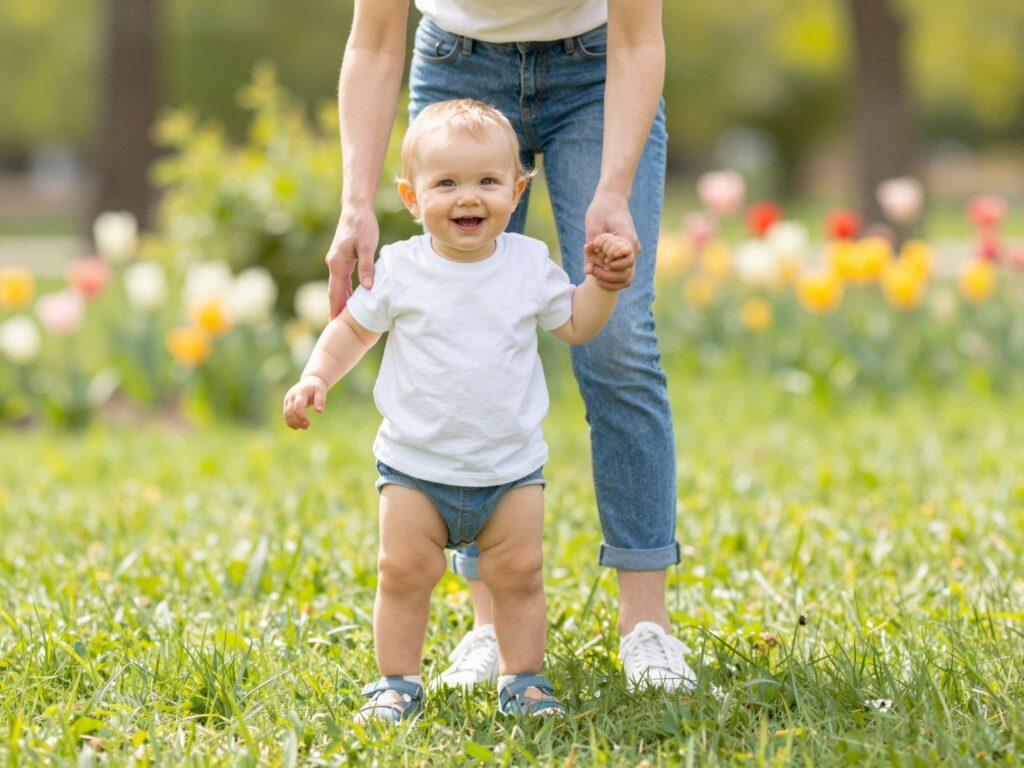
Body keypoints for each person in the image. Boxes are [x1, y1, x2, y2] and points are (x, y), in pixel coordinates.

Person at [325, 0, 697, 691]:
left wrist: (613, 192)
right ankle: (489, 630)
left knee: (617, 338)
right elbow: (374, 43)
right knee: (466, 317)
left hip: (599, 69)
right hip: (458, 65)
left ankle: (647, 626)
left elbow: (641, 37)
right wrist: (354, 206)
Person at [284, 99, 635, 721]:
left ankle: (523, 681)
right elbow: (351, 332)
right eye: (446, 183)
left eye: (487, 182)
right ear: (412, 197)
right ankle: (396, 682)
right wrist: (316, 374)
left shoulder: (528, 263)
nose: (467, 197)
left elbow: (578, 324)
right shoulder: (398, 268)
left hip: (510, 469)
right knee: (401, 573)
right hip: (416, 468)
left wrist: (603, 288)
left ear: (517, 189)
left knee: (521, 575)